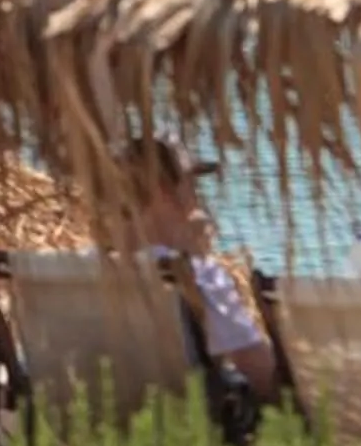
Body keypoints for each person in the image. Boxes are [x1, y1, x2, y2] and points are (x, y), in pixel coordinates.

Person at [116, 133, 280, 405]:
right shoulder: (194, 276)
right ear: (162, 189)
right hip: (192, 422)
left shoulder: (90, 271)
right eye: (191, 182)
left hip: (112, 416)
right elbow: (260, 372)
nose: (197, 194)